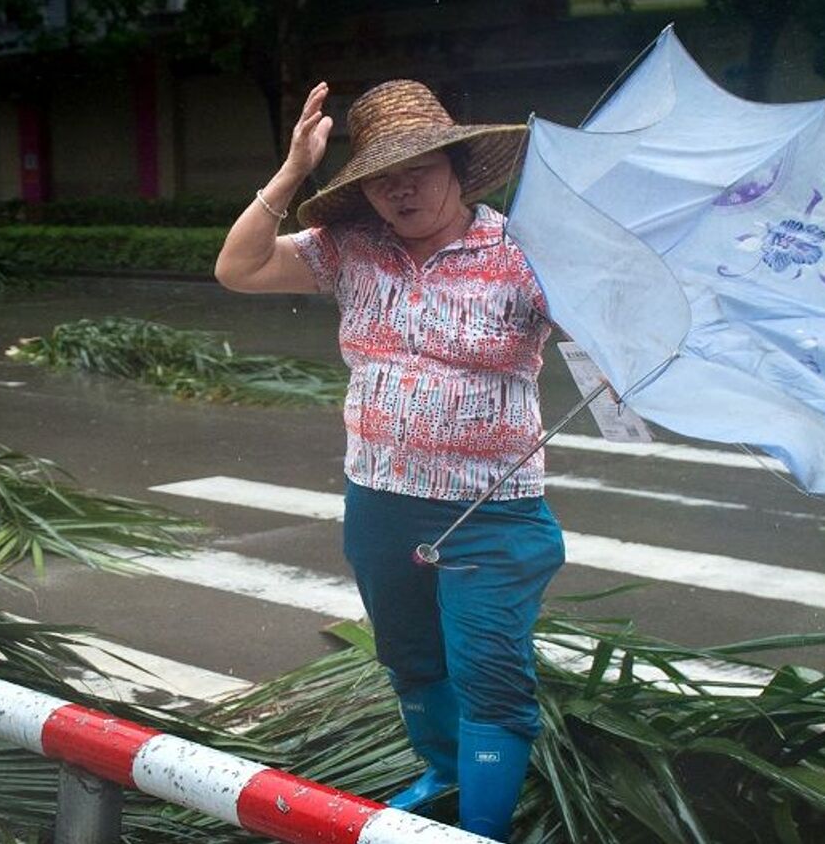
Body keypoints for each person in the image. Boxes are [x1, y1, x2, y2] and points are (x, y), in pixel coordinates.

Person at [213, 79, 563, 842]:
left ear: (457, 168)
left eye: (418, 170)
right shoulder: (351, 248)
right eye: (382, 177)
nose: (401, 189)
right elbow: (238, 268)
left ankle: (480, 828)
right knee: (410, 658)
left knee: (490, 675)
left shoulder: (523, 251)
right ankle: (445, 770)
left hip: (492, 512)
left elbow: (606, 322)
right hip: (380, 501)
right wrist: (292, 170)